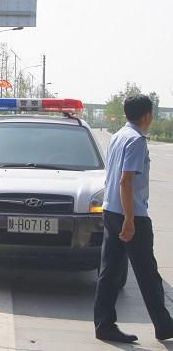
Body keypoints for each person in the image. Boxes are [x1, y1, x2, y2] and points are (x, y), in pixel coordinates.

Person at [93, 94, 173, 343]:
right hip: (131, 216)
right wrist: (130, 220)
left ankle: (104, 324)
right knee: (147, 273)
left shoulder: (118, 136)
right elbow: (126, 180)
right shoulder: (137, 140)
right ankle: (165, 326)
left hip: (111, 210)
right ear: (147, 115)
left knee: (110, 272)